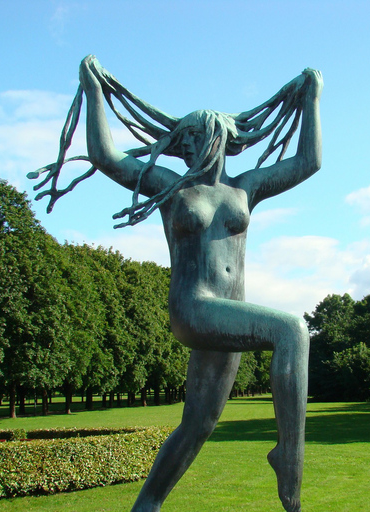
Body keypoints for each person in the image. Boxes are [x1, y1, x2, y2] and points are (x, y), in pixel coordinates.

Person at [35, 55, 322, 512]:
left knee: (198, 424)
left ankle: (146, 504)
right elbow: (106, 157)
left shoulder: (245, 188)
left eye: (196, 137)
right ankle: (288, 455)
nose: (187, 146)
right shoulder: (173, 187)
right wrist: (93, 93)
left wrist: (311, 100)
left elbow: (308, 161)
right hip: (194, 307)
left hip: (229, 317)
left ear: (221, 141)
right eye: (182, 138)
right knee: (292, 330)